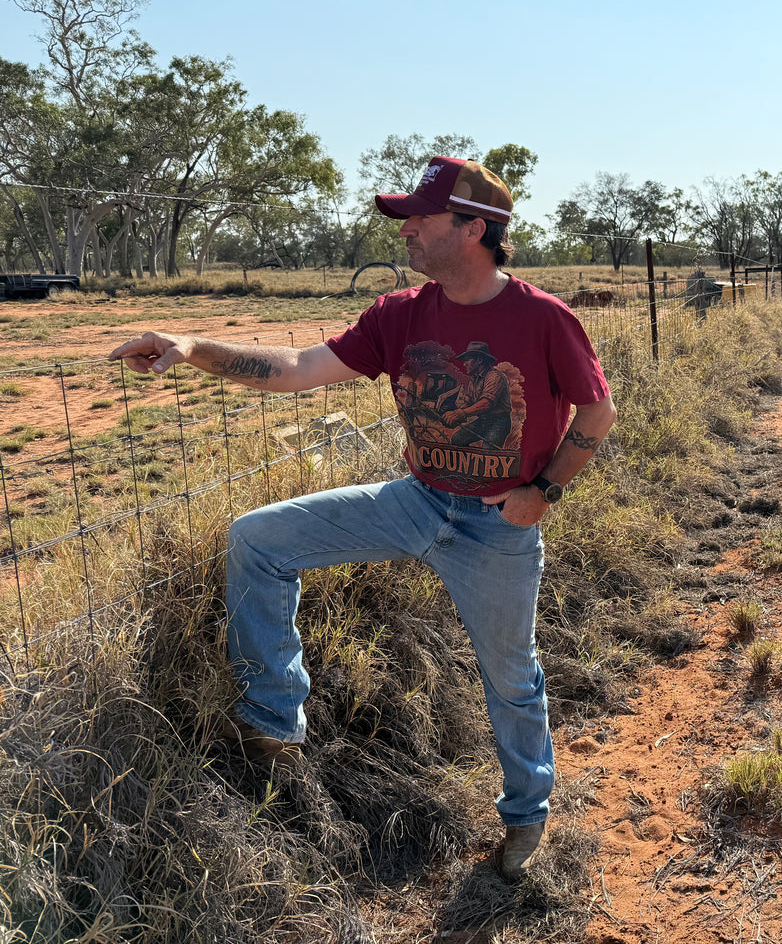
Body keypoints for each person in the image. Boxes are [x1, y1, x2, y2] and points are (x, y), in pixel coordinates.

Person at [108, 156, 616, 882]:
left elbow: (597, 409)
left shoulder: (541, 318)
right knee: (258, 538)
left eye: (422, 217)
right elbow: (292, 368)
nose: (406, 230)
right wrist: (190, 347)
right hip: (415, 500)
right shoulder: (399, 314)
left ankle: (525, 814)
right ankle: (274, 723)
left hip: (497, 524)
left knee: (509, 676)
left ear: (474, 229)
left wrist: (544, 490)